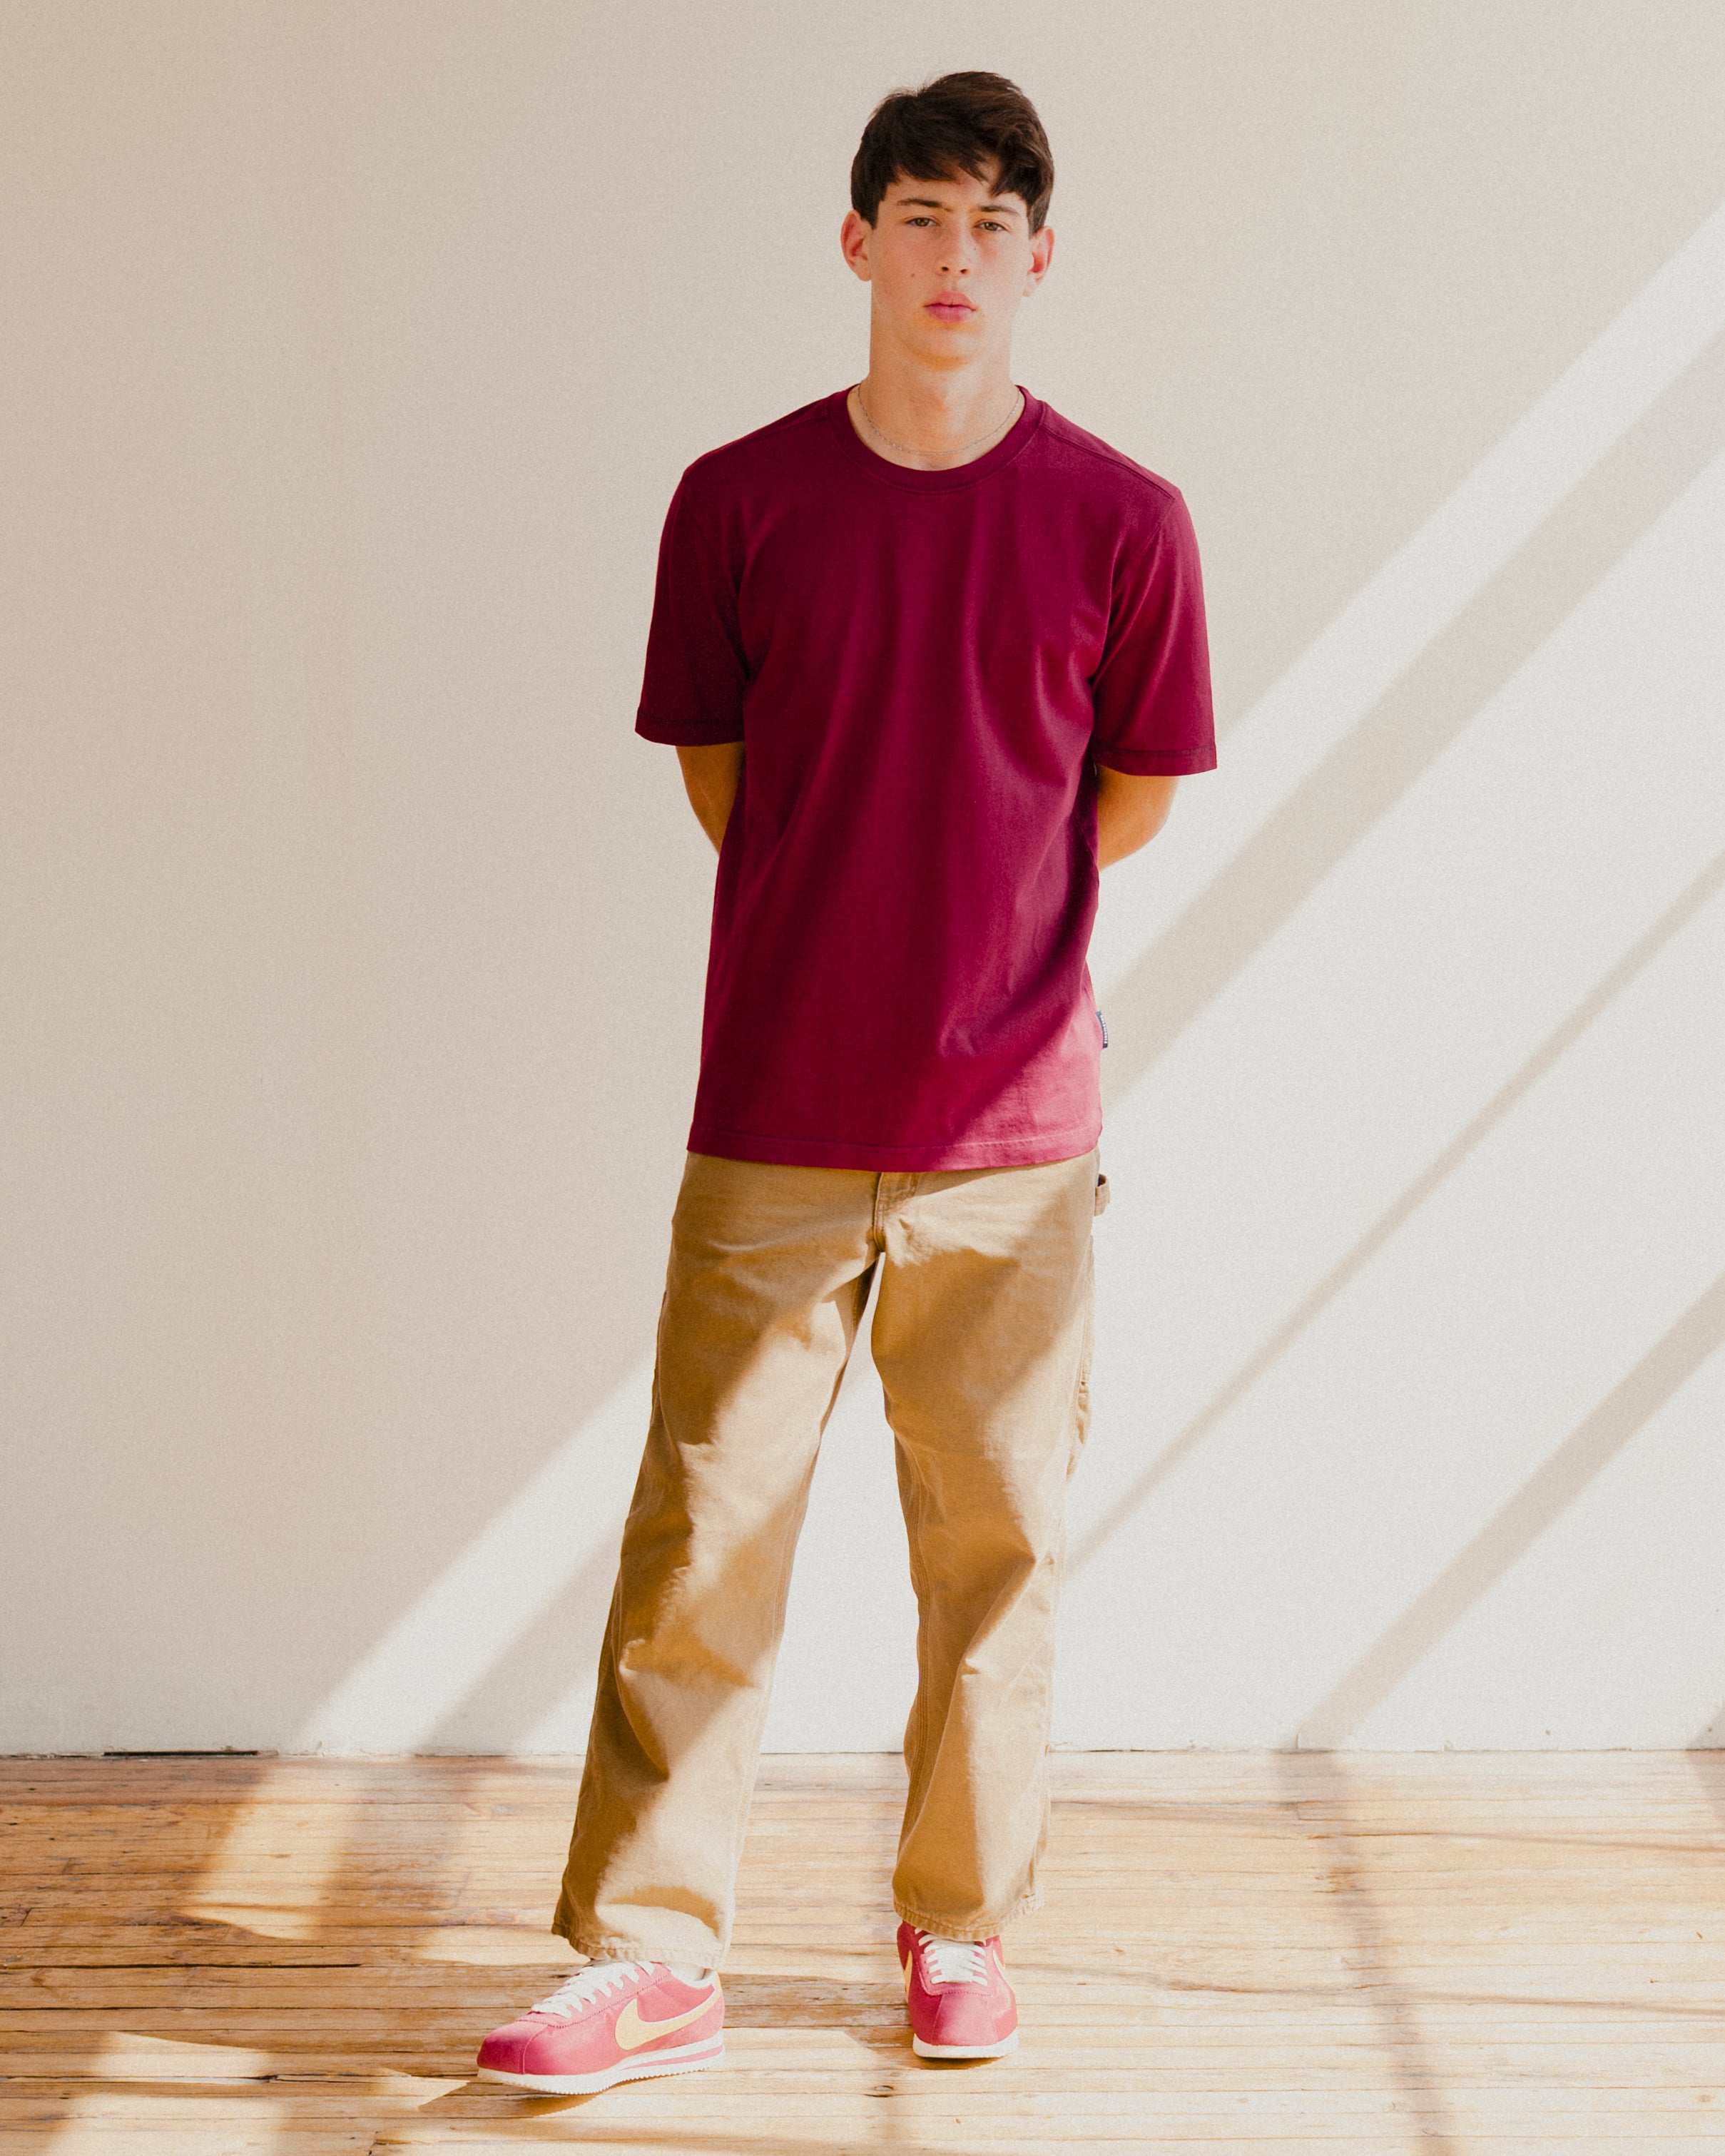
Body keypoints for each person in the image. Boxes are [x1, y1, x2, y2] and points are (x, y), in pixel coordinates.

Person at [476, 68, 1214, 2096]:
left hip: (1017, 1142)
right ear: (855, 243)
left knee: (995, 1554)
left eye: (989, 226)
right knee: (696, 1539)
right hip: (774, 1113)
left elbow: (1125, 801)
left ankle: (958, 1920)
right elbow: (727, 783)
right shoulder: (741, 501)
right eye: (918, 217)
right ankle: (646, 1951)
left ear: (1037, 261)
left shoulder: (1125, 523)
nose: (951, 257)